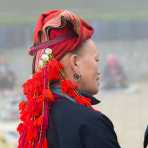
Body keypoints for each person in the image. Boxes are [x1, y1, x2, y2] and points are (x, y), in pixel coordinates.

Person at [17, 9, 121, 148]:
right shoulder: (91, 124)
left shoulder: (38, 119)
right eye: (96, 59)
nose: (99, 69)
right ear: (75, 63)